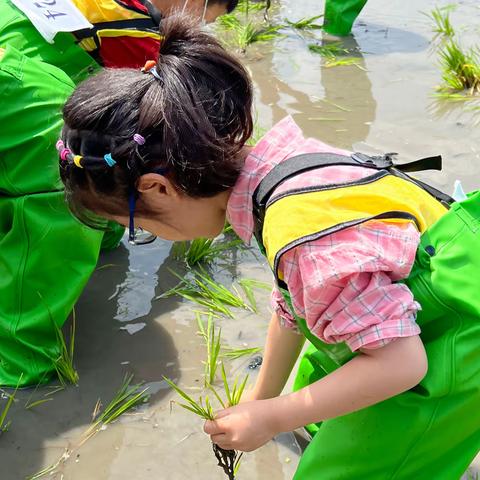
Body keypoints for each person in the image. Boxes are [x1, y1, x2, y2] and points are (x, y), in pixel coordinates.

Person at [55, 15, 480, 479]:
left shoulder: (303, 237)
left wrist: (273, 418)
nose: (150, 237)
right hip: (423, 288)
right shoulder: (279, 171)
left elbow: (402, 364)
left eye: (136, 225)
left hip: (452, 348)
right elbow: (294, 301)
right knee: (316, 390)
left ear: (158, 188)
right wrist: (263, 398)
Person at [0, 0, 237, 387]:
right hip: (22, 94)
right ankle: (18, 360)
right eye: (208, 16)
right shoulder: (54, 137)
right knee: (62, 204)